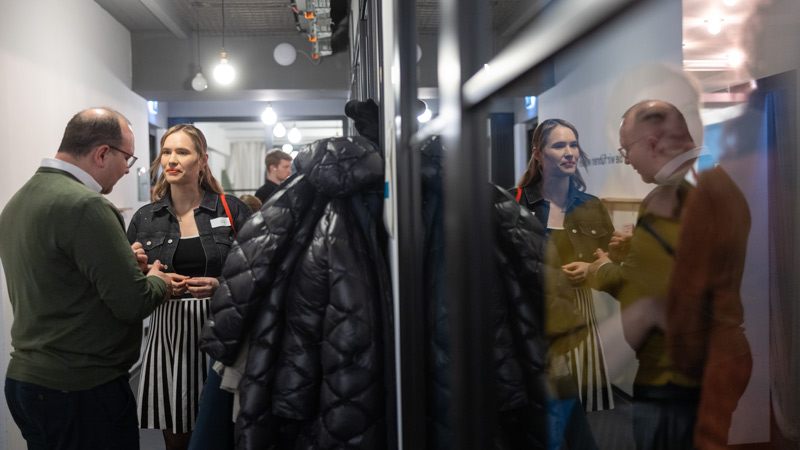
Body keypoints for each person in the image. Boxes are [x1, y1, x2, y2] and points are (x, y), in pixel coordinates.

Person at [0, 107, 172, 449]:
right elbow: (132, 302)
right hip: (81, 388)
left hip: (27, 382)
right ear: (102, 153)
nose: (128, 168)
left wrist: (123, 262)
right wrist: (157, 279)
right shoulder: (86, 206)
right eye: (127, 157)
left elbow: (63, 279)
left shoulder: (19, 201)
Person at [127, 123, 250, 450]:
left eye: (183, 152)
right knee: (177, 439)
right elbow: (128, 284)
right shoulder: (145, 218)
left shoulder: (231, 209)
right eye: (167, 151)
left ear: (202, 160)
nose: (172, 159)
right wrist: (142, 271)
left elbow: (259, 272)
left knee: (223, 430)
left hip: (222, 331)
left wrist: (219, 284)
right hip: (166, 338)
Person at [589, 99, 703, 450]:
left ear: (651, 144)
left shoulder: (668, 198)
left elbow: (642, 290)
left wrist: (601, 269)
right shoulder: (686, 194)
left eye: (626, 149)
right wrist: (637, 247)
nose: (625, 159)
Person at [513, 118, 614, 449]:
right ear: (539, 154)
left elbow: (608, 267)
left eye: (573, 145)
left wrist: (598, 265)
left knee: (583, 412)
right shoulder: (515, 204)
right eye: (559, 145)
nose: (569, 152)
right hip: (534, 318)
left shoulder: (591, 206)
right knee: (549, 413)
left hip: (580, 320)